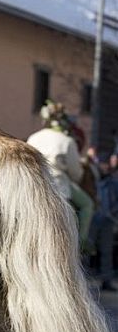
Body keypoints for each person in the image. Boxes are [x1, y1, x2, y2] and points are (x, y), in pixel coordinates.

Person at [27, 102, 94, 245]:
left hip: (34, 183)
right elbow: (76, 173)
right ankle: (80, 243)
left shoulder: (33, 137)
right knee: (88, 204)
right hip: (58, 182)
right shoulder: (67, 141)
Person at [91, 153, 118, 291]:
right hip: (93, 219)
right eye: (103, 164)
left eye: (107, 164)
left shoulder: (113, 182)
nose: (105, 167)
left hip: (107, 220)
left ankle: (106, 280)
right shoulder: (93, 180)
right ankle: (80, 280)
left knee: (106, 251)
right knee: (86, 247)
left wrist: (113, 213)